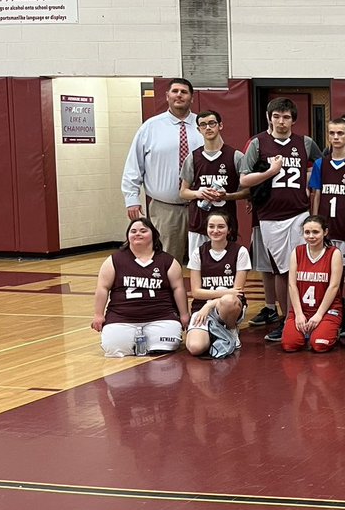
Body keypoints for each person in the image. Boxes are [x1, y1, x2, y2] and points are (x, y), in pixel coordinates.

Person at [239, 97, 323, 341]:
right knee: (280, 270)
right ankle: (286, 319)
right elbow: (244, 180)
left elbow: (319, 165)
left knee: (303, 268)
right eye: (276, 116)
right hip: (270, 216)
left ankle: (307, 315)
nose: (281, 121)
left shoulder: (304, 142)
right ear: (269, 117)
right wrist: (270, 173)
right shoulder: (258, 143)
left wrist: (308, 183)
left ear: (293, 120)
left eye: (286, 117)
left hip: (299, 213)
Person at [122, 77, 203, 268]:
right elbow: (134, 165)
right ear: (167, 96)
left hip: (200, 207)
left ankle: (202, 298)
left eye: (184, 92)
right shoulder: (150, 127)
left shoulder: (204, 126)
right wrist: (131, 198)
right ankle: (165, 299)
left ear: (192, 97)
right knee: (166, 263)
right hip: (166, 208)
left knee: (202, 262)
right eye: (175, 91)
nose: (179, 95)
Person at [91, 218, 190, 357]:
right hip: (122, 317)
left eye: (143, 231)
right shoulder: (114, 260)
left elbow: (178, 289)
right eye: (133, 231)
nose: (138, 234)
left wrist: (184, 314)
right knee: (114, 348)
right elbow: (102, 288)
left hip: (161, 316)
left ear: (154, 235)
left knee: (167, 345)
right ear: (127, 236)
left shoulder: (168, 261)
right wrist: (98, 315)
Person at [309, 118, 345, 336]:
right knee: (327, 274)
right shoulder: (320, 164)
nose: (336, 137)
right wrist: (314, 223)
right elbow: (316, 194)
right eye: (332, 133)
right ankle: (331, 312)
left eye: (340, 133)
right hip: (326, 229)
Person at [178, 109, 247, 257]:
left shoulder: (236, 156)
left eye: (211, 123)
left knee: (226, 270)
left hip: (225, 224)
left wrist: (227, 196)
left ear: (220, 125)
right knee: (199, 268)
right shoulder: (192, 157)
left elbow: (247, 191)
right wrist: (198, 193)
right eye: (203, 125)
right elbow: (183, 192)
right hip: (199, 224)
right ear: (198, 129)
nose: (208, 128)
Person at [186, 211, 249, 358]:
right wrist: (225, 293)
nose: (215, 230)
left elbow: (237, 293)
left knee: (228, 301)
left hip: (229, 308)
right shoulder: (198, 252)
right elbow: (196, 292)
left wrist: (209, 305)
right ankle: (215, 333)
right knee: (195, 348)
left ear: (229, 230)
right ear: (206, 229)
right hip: (201, 308)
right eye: (211, 226)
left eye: (221, 226)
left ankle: (231, 328)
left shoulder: (240, 251)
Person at [281, 215, 344, 352]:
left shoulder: (334, 253)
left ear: (325, 232)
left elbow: (334, 286)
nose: (311, 236)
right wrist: (298, 314)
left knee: (320, 345)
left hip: (327, 310)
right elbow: (292, 285)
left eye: (315, 232)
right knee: (289, 345)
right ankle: (307, 331)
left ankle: (329, 330)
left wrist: (319, 315)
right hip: (302, 309)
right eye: (307, 232)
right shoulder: (297, 252)